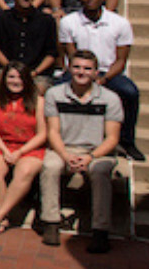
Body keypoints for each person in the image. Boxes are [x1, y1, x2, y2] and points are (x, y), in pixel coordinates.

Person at [40, 50, 125, 251]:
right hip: (64, 147)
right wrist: (65, 155)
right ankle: (51, 223)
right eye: (77, 67)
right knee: (50, 166)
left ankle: (100, 231)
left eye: (87, 69)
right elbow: (53, 131)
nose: (81, 72)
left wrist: (90, 157)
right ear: (69, 68)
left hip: (97, 150)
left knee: (100, 171)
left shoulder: (111, 99)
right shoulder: (54, 94)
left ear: (96, 72)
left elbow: (112, 138)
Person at [56, 0, 141, 160]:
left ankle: (127, 141)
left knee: (130, 92)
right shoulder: (69, 22)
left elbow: (121, 60)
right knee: (54, 92)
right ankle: (58, 139)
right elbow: (72, 55)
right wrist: (83, 73)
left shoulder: (120, 23)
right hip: (79, 70)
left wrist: (102, 79)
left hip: (108, 72)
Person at [0, 63, 49, 234]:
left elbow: (42, 134)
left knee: (24, 171)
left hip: (29, 146)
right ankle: (3, 219)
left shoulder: (38, 101)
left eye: (20, 77)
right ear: (4, 79)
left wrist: (20, 152)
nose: (15, 81)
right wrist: (5, 150)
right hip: (2, 144)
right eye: (11, 77)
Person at [0, 0, 57, 77]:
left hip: (37, 72)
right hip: (7, 69)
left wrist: (35, 72)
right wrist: (11, 70)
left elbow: (51, 53)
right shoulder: (1, 18)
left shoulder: (46, 20)